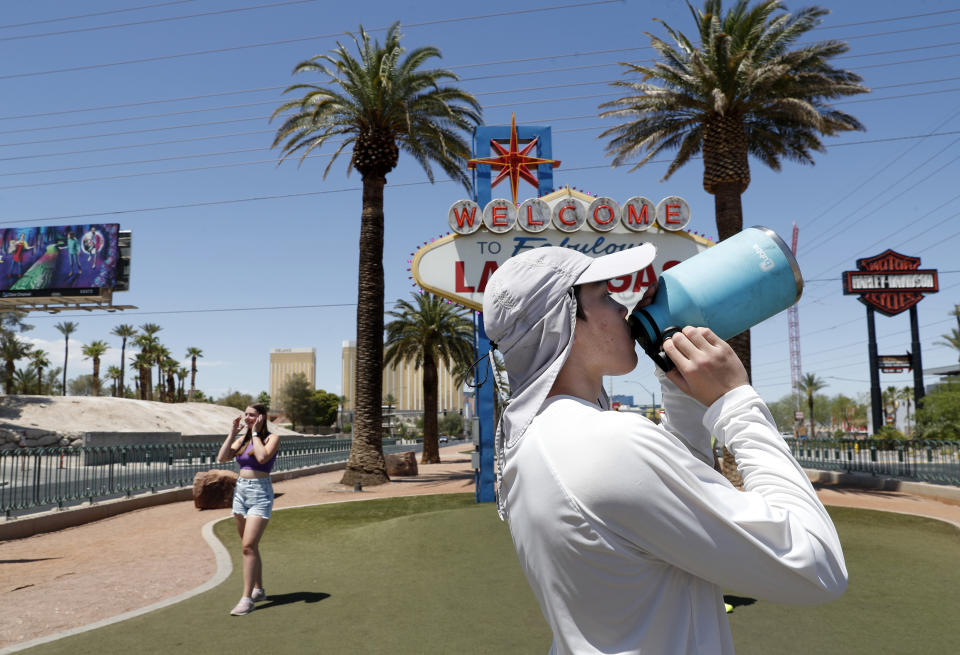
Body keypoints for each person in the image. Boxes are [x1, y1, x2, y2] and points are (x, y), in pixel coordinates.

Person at [481, 246, 847, 655]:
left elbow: (673, 495)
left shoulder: (535, 438)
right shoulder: (607, 442)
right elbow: (817, 566)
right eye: (604, 296)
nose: (624, 309)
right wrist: (737, 402)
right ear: (563, 322)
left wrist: (675, 381)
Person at [216, 403, 280, 616]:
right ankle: (258, 590)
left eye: (252, 415)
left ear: (261, 417)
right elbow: (222, 457)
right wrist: (232, 433)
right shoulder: (241, 439)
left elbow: (262, 457)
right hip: (241, 493)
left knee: (248, 546)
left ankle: (247, 599)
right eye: (246, 415)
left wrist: (254, 433)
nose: (247, 418)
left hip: (260, 493)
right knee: (249, 547)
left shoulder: (272, 438)